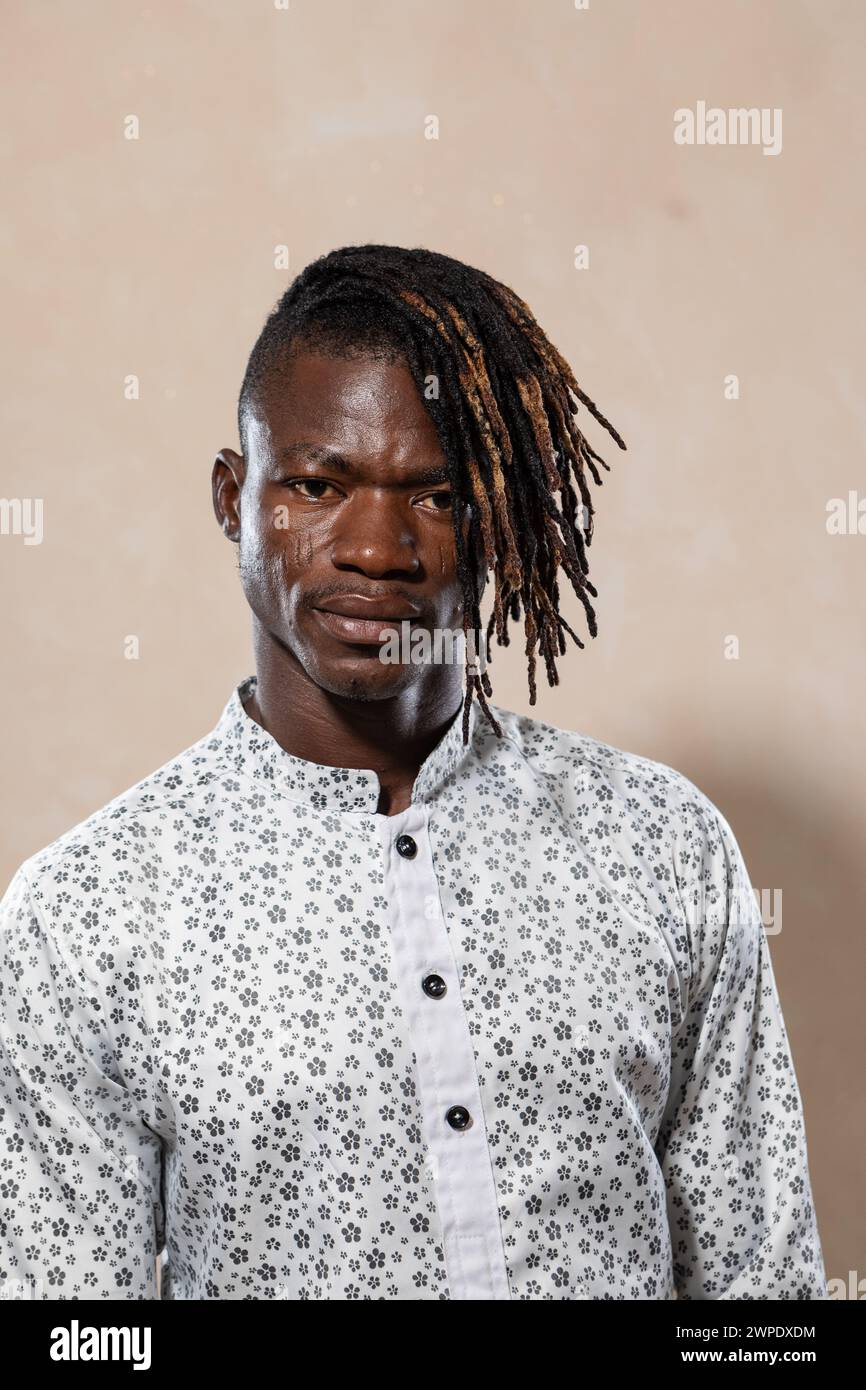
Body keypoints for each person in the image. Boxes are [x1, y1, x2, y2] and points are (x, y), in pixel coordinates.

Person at [0, 244, 827, 1300]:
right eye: (317, 485)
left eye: (436, 495)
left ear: (504, 518)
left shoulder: (662, 843)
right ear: (233, 498)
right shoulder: (85, 913)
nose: (377, 548)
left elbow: (764, 1303)